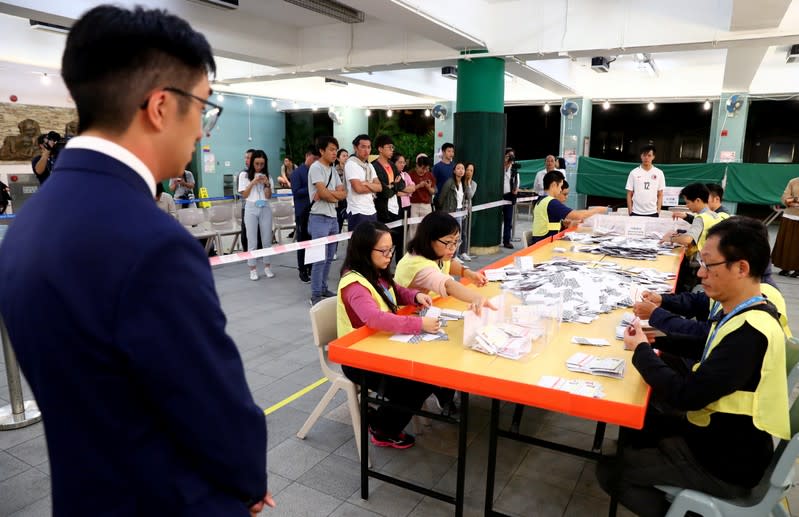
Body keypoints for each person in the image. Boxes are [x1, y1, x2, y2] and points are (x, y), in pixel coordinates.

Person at [0, 5, 272, 515]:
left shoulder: (28, 224)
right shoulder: (152, 243)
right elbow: (213, 408)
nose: (202, 131)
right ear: (162, 106)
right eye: (204, 108)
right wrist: (247, 480)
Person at [598, 216, 790, 517]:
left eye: (709, 265)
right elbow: (707, 345)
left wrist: (642, 353)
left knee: (612, 470)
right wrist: (655, 340)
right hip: (724, 437)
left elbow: (686, 395)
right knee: (637, 429)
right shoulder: (748, 308)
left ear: (741, 268)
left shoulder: (750, 333)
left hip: (725, 461)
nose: (700, 273)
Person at [338, 221, 438, 449]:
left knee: (426, 375)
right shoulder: (354, 284)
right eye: (383, 251)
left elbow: (394, 291)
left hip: (381, 348)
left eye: (391, 249)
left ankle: (383, 417)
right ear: (364, 250)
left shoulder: (376, 272)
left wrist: (414, 297)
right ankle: (383, 428)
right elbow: (374, 318)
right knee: (415, 384)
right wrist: (419, 323)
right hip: (358, 359)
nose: (389, 255)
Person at [663, 183, 730, 292]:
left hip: (699, 265)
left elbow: (687, 240)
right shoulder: (715, 215)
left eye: (688, 202)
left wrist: (670, 239)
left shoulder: (700, 218)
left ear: (698, 200)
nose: (687, 206)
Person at [308, 136, 347, 306]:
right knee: (319, 258)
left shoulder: (332, 170)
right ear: (322, 151)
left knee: (330, 257)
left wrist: (329, 195)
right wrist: (332, 196)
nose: (334, 153)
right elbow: (322, 194)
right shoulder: (316, 168)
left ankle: (323, 288)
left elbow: (343, 193)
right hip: (318, 217)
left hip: (333, 218)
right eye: (331, 149)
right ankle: (315, 293)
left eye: (335, 150)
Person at [531, 170, 605, 245]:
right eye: (560, 186)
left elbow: (545, 222)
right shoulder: (552, 202)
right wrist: (597, 210)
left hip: (540, 242)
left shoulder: (541, 200)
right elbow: (578, 215)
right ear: (554, 185)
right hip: (544, 245)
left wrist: (562, 223)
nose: (560, 190)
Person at [239, 149, 275, 280]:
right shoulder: (244, 175)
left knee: (266, 239)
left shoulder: (268, 176)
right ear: (252, 162)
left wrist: (266, 184)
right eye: (257, 163)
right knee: (252, 240)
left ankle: (267, 266)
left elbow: (269, 196)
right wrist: (253, 182)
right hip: (251, 207)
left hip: (265, 207)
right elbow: (244, 195)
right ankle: (252, 268)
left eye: (262, 164)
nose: (259, 166)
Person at [373, 135, 406, 262]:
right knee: (382, 243)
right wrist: (394, 185)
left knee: (397, 241)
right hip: (383, 209)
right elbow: (383, 191)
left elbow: (402, 184)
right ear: (380, 149)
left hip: (396, 208)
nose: (392, 150)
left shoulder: (392, 165)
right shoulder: (374, 166)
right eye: (389, 147)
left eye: (393, 147)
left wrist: (392, 186)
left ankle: (398, 268)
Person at [345, 134, 381, 230]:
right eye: (363, 147)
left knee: (371, 243)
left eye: (369, 147)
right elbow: (358, 189)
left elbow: (380, 187)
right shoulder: (351, 164)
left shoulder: (369, 166)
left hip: (371, 210)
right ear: (355, 148)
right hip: (357, 211)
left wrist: (367, 183)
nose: (367, 150)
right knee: (358, 243)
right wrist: (373, 186)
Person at [438, 162, 472, 260]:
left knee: (458, 234)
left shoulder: (463, 183)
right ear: (454, 170)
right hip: (450, 211)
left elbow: (469, 196)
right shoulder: (449, 182)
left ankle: (455, 255)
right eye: (458, 168)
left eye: (462, 169)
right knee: (449, 234)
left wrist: (468, 182)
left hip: (460, 211)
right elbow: (442, 198)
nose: (461, 170)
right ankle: (451, 256)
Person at [625, 144, 665, 217]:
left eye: (649, 155)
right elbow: (629, 193)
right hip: (636, 212)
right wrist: (630, 211)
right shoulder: (633, 172)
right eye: (644, 155)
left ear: (653, 157)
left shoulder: (659, 173)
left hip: (653, 212)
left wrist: (658, 211)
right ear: (641, 156)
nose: (646, 158)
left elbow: (660, 194)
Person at [772, 176, 799, 277]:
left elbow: (791, 200)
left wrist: (794, 201)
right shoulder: (793, 181)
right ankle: (785, 267)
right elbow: (785, 198)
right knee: (786, 244)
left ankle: (798, 269)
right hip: (790, 216)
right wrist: (794, 201)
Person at [408, 155, 435, 242]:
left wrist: (428, 187)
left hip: (426, 205)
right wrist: (419, 185)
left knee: (426, 228)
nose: (424, 171)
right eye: (423, 168)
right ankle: (410, 250)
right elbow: (407, 190)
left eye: (426, 169)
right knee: (413, 228)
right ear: (417, 165)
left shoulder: (430, 175)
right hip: (413, 204)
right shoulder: (410, 174)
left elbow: (433, 191)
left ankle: (424, 249)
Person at [502, 148, 519, 249]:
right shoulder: (499, 166)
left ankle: (506, 241)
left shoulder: (514, 169)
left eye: (512, 156)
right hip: (497, 195)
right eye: (508, 155)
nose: (510, 158)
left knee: (508, 219)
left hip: (509, 195)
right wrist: (504, 164)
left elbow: (517, 182)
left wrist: (515, 190)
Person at [460, 162, 478, 260]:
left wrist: (467, 184)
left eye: (471, 170)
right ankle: (456, 253)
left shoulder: (474, 184)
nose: (469, 172)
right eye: (467, 170)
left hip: (466, 210)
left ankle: (463, 252)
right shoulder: (459, 181)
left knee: (464, 232)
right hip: (458, 209)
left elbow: (469, 195)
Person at [239, 148, 255, 251]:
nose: (246, 160)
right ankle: (246, 253)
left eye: (249, 158)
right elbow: (244, 193)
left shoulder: (263, 174)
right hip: (247, 208)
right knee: (246, 234)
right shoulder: (243, 174)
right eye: (246, 158)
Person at [394, 152, 415, 221]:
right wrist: (407, 193)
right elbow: (396, 192)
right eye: (400, 162)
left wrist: (402, 191)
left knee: (406, 228)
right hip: (396, 206)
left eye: (404, 162)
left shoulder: (406, 174)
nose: (402, 164)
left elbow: (413, 188)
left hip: (407, 206)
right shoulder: (392, 175)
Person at [432, 142, 455, 208]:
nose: (451, 153)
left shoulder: (455, 166)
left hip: (452, 200)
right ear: (443, 152)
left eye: (452, 151)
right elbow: (433, 183)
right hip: (440, 199)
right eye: (449, 151)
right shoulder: (437, 167)